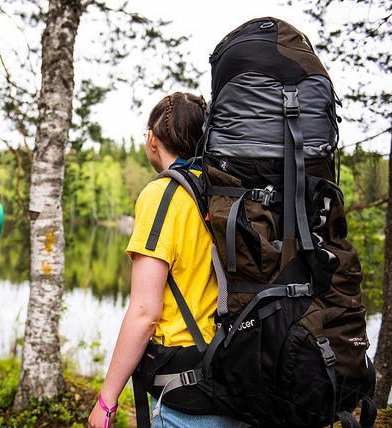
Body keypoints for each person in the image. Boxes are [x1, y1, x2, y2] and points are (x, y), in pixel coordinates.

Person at [88, 93, 244, 428]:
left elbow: (145, 312)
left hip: (188, 390)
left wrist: (107, 401)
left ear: (153, 138)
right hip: (238, 371)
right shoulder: (223, 190)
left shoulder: (163, 194)